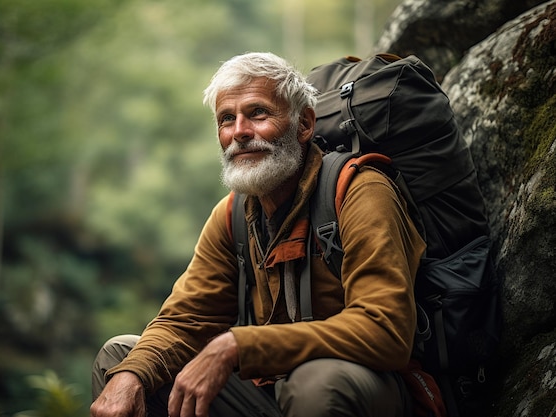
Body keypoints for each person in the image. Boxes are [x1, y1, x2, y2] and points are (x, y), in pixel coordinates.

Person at [90, 52, 426, 417]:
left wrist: (238, 346)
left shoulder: (359, 191)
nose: (240, 132)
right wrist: (132, 375)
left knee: (315, 384)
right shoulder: (233, 214)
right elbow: (185, 320)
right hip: (272, 394)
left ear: (304, 125)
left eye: (258, 113)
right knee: (122, 359)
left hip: (367, 392)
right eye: (226, 120)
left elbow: (385, 330)